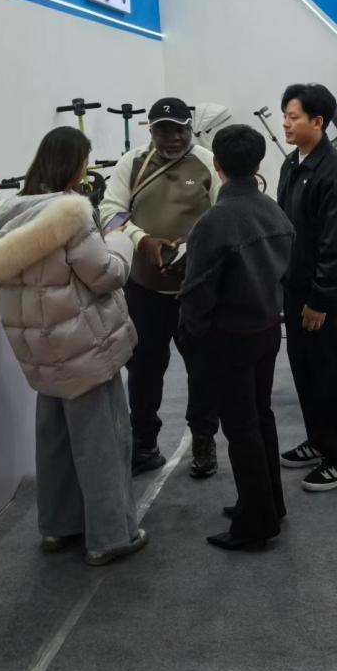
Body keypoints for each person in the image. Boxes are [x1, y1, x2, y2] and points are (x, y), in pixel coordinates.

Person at [0, 126, 146, 567]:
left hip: (40, 352)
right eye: (85, 160)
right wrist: (120, 243)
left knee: (55, 443)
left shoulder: (4, 215)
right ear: (74, 163)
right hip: (83, 347)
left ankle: (57, 526)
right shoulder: (71, 213)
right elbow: (104, 275)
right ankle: (111, 535)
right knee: (103, 443)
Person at [179, 125, 295, 551]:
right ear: (259, 162)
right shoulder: (274, 211)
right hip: (267, 330)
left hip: (229, 337)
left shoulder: (215, 222)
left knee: (241, 427)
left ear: (217, 165)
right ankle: (269, 502)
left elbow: (197, 291)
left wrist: (193, 331)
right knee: (260, 416)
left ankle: (255, 523)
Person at [100, 97, 221, 478]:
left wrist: (194, 246)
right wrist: (142, 241)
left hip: (196, 290)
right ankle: (144, 444)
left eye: (180, 130)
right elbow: (109, 211)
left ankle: (203, 440)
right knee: (143, 370)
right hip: (145, 289)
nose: (173, 138)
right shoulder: (132, 163)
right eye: (163, 130)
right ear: (150, 131)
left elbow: (223, 214)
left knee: (203, 369)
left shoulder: (207, 162)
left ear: (190, 128)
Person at [277, 83, 337, 492]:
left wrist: (321, 298)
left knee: (330, 373)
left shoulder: (335, 171)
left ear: (318, 121)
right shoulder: (292, 164)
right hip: (295, 290)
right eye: (285, 116)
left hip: (321, 297)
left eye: (293, 117)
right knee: (305, 371)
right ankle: (319, 440)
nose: (285, 124)